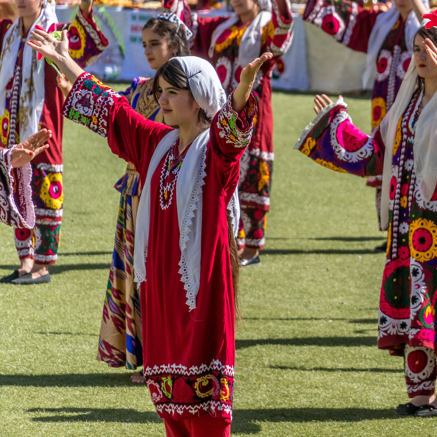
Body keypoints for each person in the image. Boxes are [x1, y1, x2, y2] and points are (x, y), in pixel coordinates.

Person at [29, 24, 269, 436]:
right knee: (170, 406)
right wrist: (61, 57)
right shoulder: (156, 142)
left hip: (201, 291)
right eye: (161, 92)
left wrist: (242, 94)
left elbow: (233, 134)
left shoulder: (215, 152)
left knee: (206, 407)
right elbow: (112, 111)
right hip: (159, 292)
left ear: (199, 99)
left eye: (172, 92)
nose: (162, 100)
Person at [296, 16, 437, 416]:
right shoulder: (405, 109)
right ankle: (421, 393)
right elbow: (373, 155)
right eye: (417, 49)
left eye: (431, 50)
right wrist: (335, 123)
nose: (421, 57)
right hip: (410, 233)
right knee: (418, 306)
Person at [160, 0, 293, 265]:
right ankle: (228, 240)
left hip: (253, 111)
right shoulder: (223, 27)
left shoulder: (266, 26)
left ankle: (252, 245)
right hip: (219, 112)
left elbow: (283, 36)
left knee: (252, 173)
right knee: (220, 173)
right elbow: (186, 27)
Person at [96, 12, 192, 381]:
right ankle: (143, 354)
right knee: (136, 274)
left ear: (174, 44)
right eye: (145, 44)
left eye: (156, 43)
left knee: (161, 273)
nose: (149, 50)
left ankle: (164, 357)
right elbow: (113, 118)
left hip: (168, 192)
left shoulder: (189, 89)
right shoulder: (137, 89)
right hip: (134, 190)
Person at [303, 0, 433, 228]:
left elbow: (436, 35)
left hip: (418, 103)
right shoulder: (381, 21)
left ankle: (414, 221)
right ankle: (388, 224)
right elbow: (350, 17)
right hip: (383, 104)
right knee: (383, 154)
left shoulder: (426, 26)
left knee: (413, 159)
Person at [0, 0, 108, 286]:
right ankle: (25, 259)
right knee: (16, 187)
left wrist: (86, 0)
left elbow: (84, 40)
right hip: (9, 127)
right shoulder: (7, 34)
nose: (20, 0)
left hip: (43, 125)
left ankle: (43, 264)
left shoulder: (53, 33)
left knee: (44, 189)